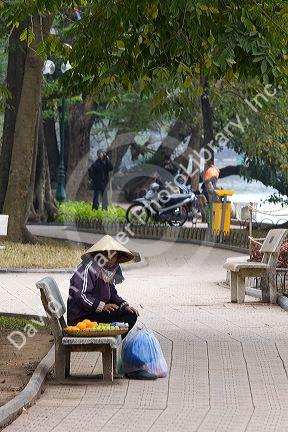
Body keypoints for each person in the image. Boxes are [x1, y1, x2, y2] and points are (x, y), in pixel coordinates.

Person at [67, 235, 139, 337]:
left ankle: (112, 342)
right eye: (106, 255)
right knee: (120, 316)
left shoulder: (109, 270)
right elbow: (80, 296)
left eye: (113, 256)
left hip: (96, 313)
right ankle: (110, 342)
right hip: (82, 319)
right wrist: (102, 306)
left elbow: (112, 293)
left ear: (117, 258)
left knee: (130, 315)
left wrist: (124, 305)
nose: (110, 259)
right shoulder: (88, 268)